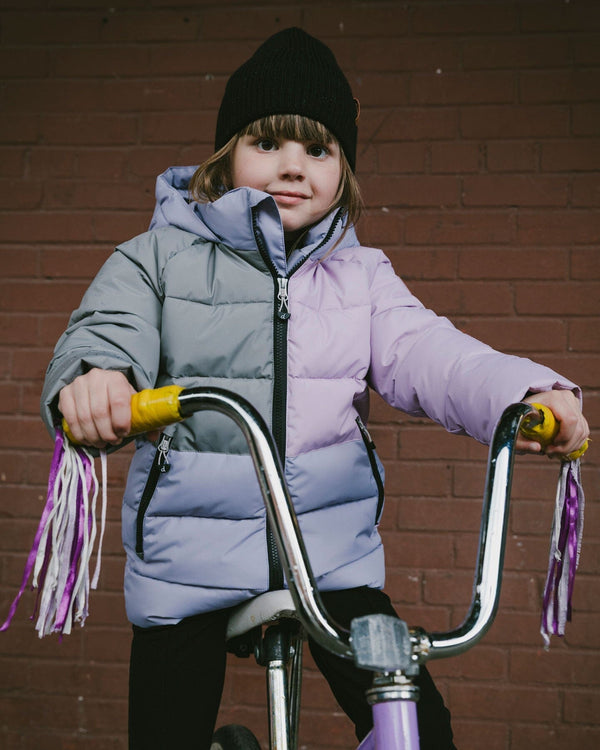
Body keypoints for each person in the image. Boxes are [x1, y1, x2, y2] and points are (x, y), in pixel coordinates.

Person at [41, 28, 588, 750]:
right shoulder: (159, 259)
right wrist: (97, 380)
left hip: (330, 560)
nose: (293, 165)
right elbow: (108, 329)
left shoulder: (362, 279)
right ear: (226, 154)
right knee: (167, 729)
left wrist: (524, 393)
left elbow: (433, 354)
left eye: (319, 149)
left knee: (419, 726)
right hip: (188, 566)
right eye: (267, 142)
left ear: (343, 170)